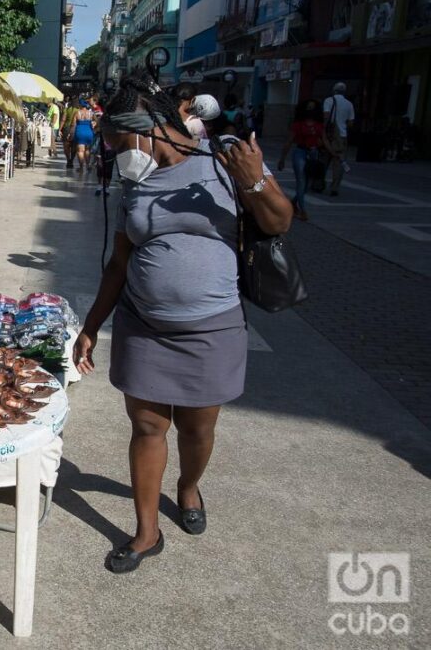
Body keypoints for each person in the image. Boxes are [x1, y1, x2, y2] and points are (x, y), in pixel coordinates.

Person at [72, 71, 292, 574]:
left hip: (211, 327)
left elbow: (279, 221)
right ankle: (147, 532)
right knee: (148, 426)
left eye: (116, 142)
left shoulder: (222, 162)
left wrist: (254, 179)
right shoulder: (136, 181)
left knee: (197, 428)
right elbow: (118, 264)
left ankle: (189, 486)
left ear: (147, 128)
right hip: (143, 325)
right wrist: (91, 325)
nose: (113, 154)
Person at [278, 99, 329, 221]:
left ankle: (294, 203)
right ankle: (303, 210)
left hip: (313, 153)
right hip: (300, 152)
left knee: (305, 185)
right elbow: (289, 141)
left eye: (312, 107)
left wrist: (333, 152)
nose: (310, 110)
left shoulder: (319, 125)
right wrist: (282, 159)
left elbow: (325, 140)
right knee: (301, 182)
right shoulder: (298, 125)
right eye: (308, 107)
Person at [323, 82, 355, 197]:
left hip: (329, 136)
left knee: (324, 161)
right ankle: (335, 187)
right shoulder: (349, 104)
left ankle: (318, 183)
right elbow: (351, 123)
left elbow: (326, 116)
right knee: (338, 163)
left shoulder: (328, 100)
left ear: (333, 90)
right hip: (342, 137)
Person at [72, 98, 96, 174]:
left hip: (80, 132)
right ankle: (88, 165)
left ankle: (81, 167)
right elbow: (97, 121)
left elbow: (73, 125)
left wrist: (70, 134)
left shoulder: (77, 112)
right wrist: (94, 125)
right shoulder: (91, 113)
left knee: (80, 150)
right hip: (89, 132)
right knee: (87, 150)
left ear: (80, 105)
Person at [61, 98, 79, 168]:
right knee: (74, 146)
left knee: (66, 146)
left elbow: (63, 120)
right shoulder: (78, 110)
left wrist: (60, 129)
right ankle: (72, 160)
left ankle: (68, 160)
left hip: (66, 129)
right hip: (76, 129)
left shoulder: (66, 109)